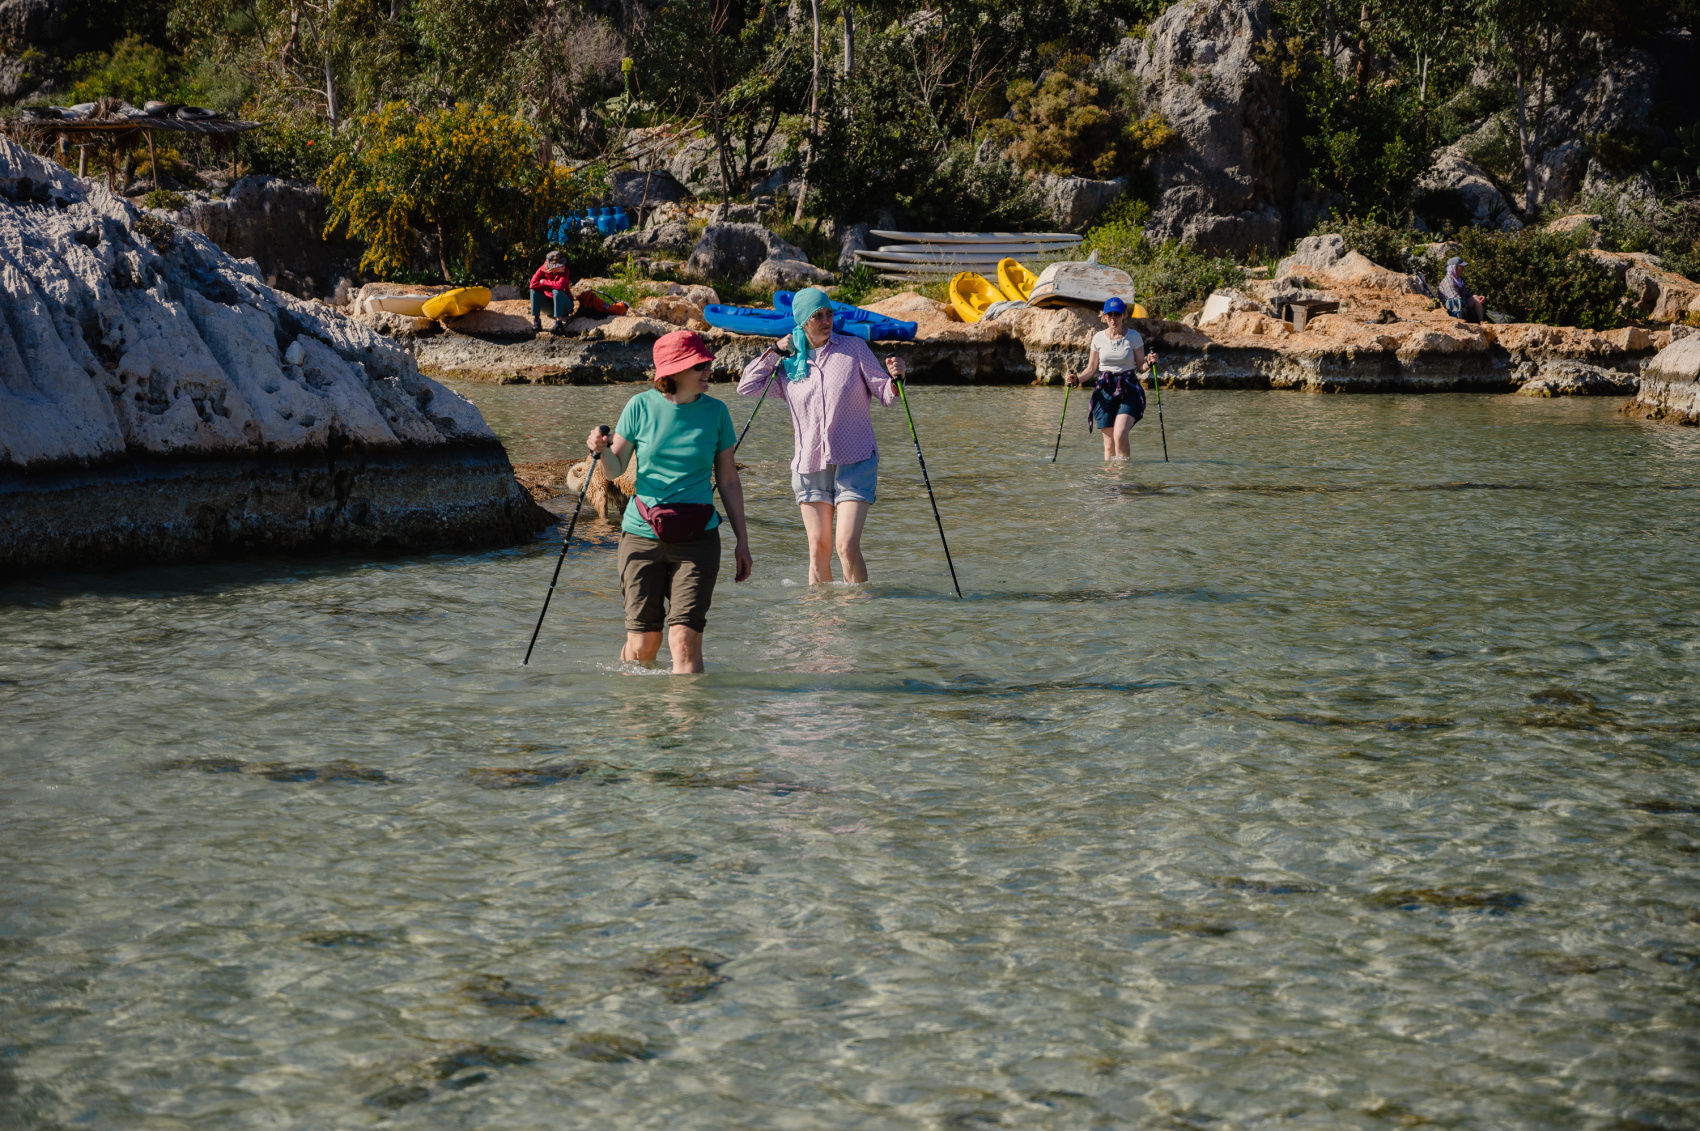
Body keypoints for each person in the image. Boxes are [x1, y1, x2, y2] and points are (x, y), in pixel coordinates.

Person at [587, 330, 752, 674]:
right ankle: (639, 718)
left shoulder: (717, 413)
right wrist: (600, 451)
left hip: (698, 540)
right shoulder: (639, 406)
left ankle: (686, 726)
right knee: (644, 645)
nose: (708, 369)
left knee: (684, 644)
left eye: (708, 362)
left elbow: (728, 480)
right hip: (641, 537)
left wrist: (742, 542)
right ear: (673, 371)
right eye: (699, 365)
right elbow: (616, 469)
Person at [737, 287, 906, 586]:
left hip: (855, 461)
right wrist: (775, 350)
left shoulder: (853, 349)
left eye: (829, 313)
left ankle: (856, 615)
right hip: (809, 466)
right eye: (818, 315)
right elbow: (747, 387)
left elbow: (885, 393)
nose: (827, 320)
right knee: (818, 550)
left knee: (845, 546)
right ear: (802, 321)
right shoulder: (788, 364)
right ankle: (822, 624)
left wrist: (897, 379)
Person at [1065, 297, 1159, 460]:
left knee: (1120, 433)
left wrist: (1149, 363)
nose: (1113, 318)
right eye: (1109, 315)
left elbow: (1141, 367)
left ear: (1124, 315)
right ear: (1104, 316)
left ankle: (1124, 478)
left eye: (1117, 314)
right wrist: (1076, 380)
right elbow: (1091, 368)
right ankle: (1111, 482)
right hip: (1105, 391)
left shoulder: (1134, 337)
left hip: (1129, 389)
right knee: (1109, 445)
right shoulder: (1098, 338)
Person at [530, 250, 575, 334]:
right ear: (553, 266)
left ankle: (559, 322)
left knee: (557, 291)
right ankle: (536, 320)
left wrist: (544, 282)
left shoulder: (565, 271)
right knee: (534, 290)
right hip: (550, 306)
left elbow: (560, 286)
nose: (564, 266)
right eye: (561, 264)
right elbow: (532, 284)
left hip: (566, 306)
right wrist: (551, 286)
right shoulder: (542, 270)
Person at [1440, 256, 1486, 323]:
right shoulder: (1448, 281)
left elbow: (1466, 295)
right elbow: (1454, 299)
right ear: (1454, 267)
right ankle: (1480, 322)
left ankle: (1482, 322)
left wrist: (1479, 298)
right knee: (1470, 303)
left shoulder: (1459, 281)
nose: (1463, 269)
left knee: (1476, 297)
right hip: (1451, 310)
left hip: (1460, 306)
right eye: (1461, 267)